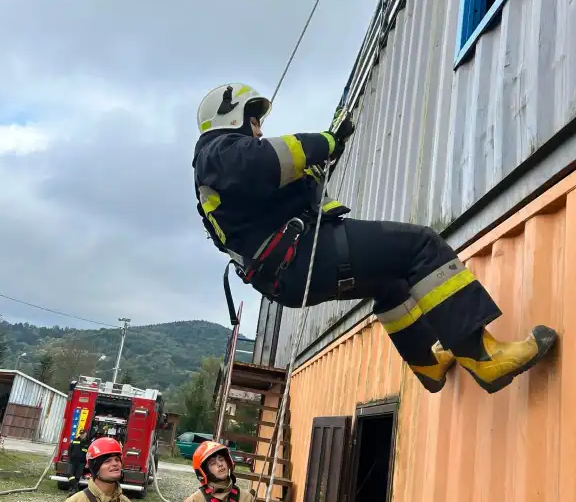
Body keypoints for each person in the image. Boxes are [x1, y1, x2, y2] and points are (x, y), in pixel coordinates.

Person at [193, 83, 557, 395]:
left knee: (391, 283)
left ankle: (427, 363)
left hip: (290, 272)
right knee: (421, 246)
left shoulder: (223, 173)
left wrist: (322, 159)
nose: (258, 131)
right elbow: (266, 160)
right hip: (302, 256)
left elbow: (277, 188)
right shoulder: (216, 152)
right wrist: (326, 141)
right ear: (232, 117)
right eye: (254, 122)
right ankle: (483, 357)